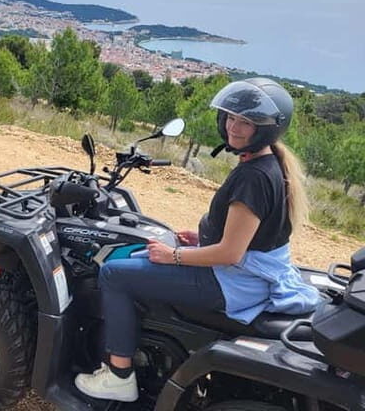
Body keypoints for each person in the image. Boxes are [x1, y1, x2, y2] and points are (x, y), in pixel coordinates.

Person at [74, 77, 322, 403]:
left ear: (265, 129)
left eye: (245, 122)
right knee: (138, 262)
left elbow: (230, 254)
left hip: (232, 282)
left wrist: (173, 256)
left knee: (114, 273)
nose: (233, 127)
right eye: (230, 117)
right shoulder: (270, 164)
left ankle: (119, 375)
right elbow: (250, 237)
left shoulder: (253, 177)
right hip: (247, 276)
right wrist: (202, 239)